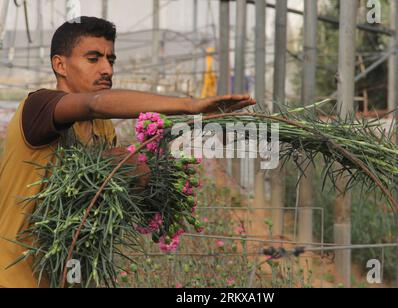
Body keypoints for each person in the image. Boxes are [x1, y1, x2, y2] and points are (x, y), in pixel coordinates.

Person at [0, 16, 255, 288]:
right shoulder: (38, 106)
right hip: (14, 276)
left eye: (111, 60)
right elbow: (94, 104)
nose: (107, 69)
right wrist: (190, 105)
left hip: (67, 276)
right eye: (93, 58)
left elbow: (97, 202)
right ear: (60, 65)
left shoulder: (102, 129)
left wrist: (150, 179)